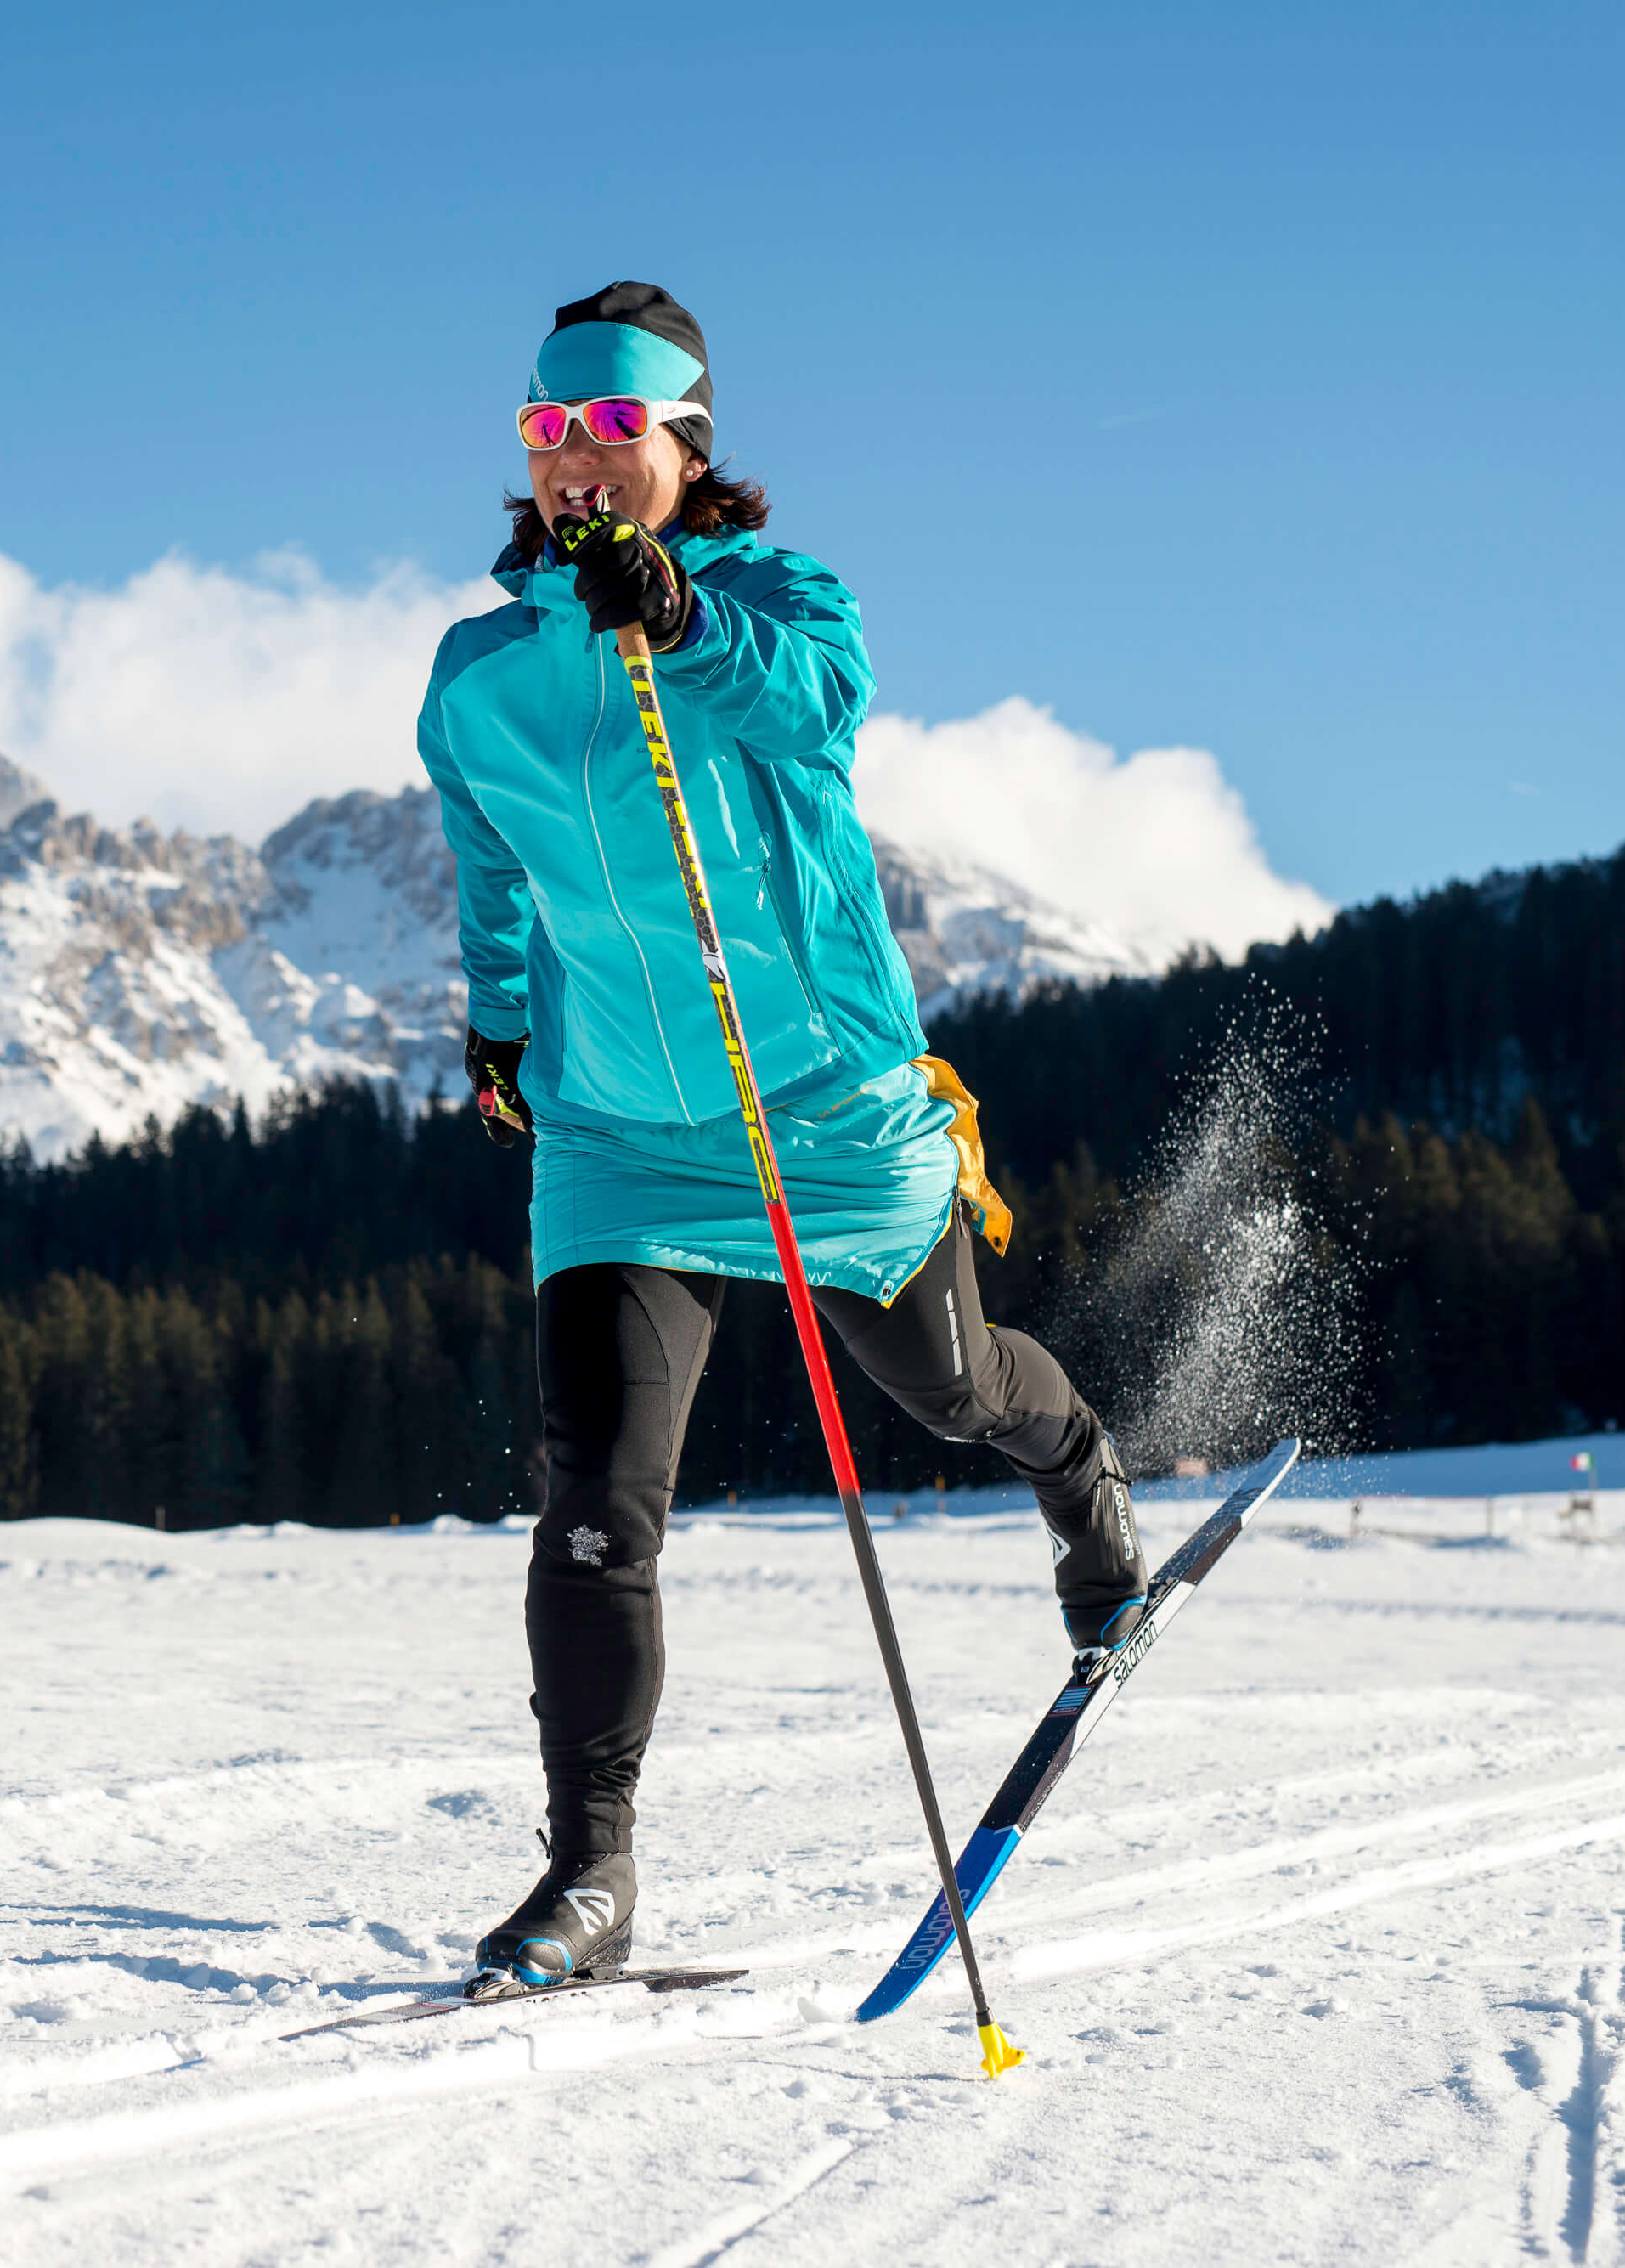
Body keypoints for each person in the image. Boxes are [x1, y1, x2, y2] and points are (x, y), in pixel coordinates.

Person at [415, 282, 1141, 1994]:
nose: (574, 462)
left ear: (683, 447)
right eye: (546, 433)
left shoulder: (780, 601)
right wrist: (500, 1018)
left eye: (610, 432)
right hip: (617, 1139)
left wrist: (682, 627)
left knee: (950, 1393)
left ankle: (1082, 1481)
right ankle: (588, 1877)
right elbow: (486, 865)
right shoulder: (478, 676)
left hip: (812, 1104)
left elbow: (809, 713)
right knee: (593, 1505)